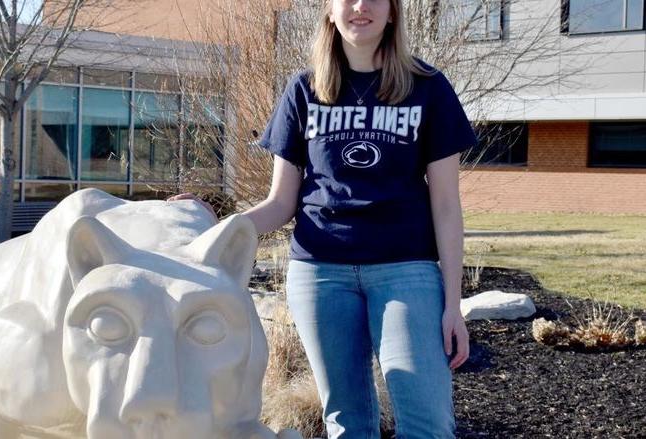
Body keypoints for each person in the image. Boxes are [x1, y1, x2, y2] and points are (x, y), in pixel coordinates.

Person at [169, 0, 476, 437]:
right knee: (347, 423)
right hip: (320, 274)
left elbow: (446, 205)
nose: (360, 6)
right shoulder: (304, 90)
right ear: (330, 12)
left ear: (392, 12)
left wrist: (452, 304)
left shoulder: (427, 88)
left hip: (405, 270)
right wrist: (218, 226)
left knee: (427, 423)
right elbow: (280, 203)